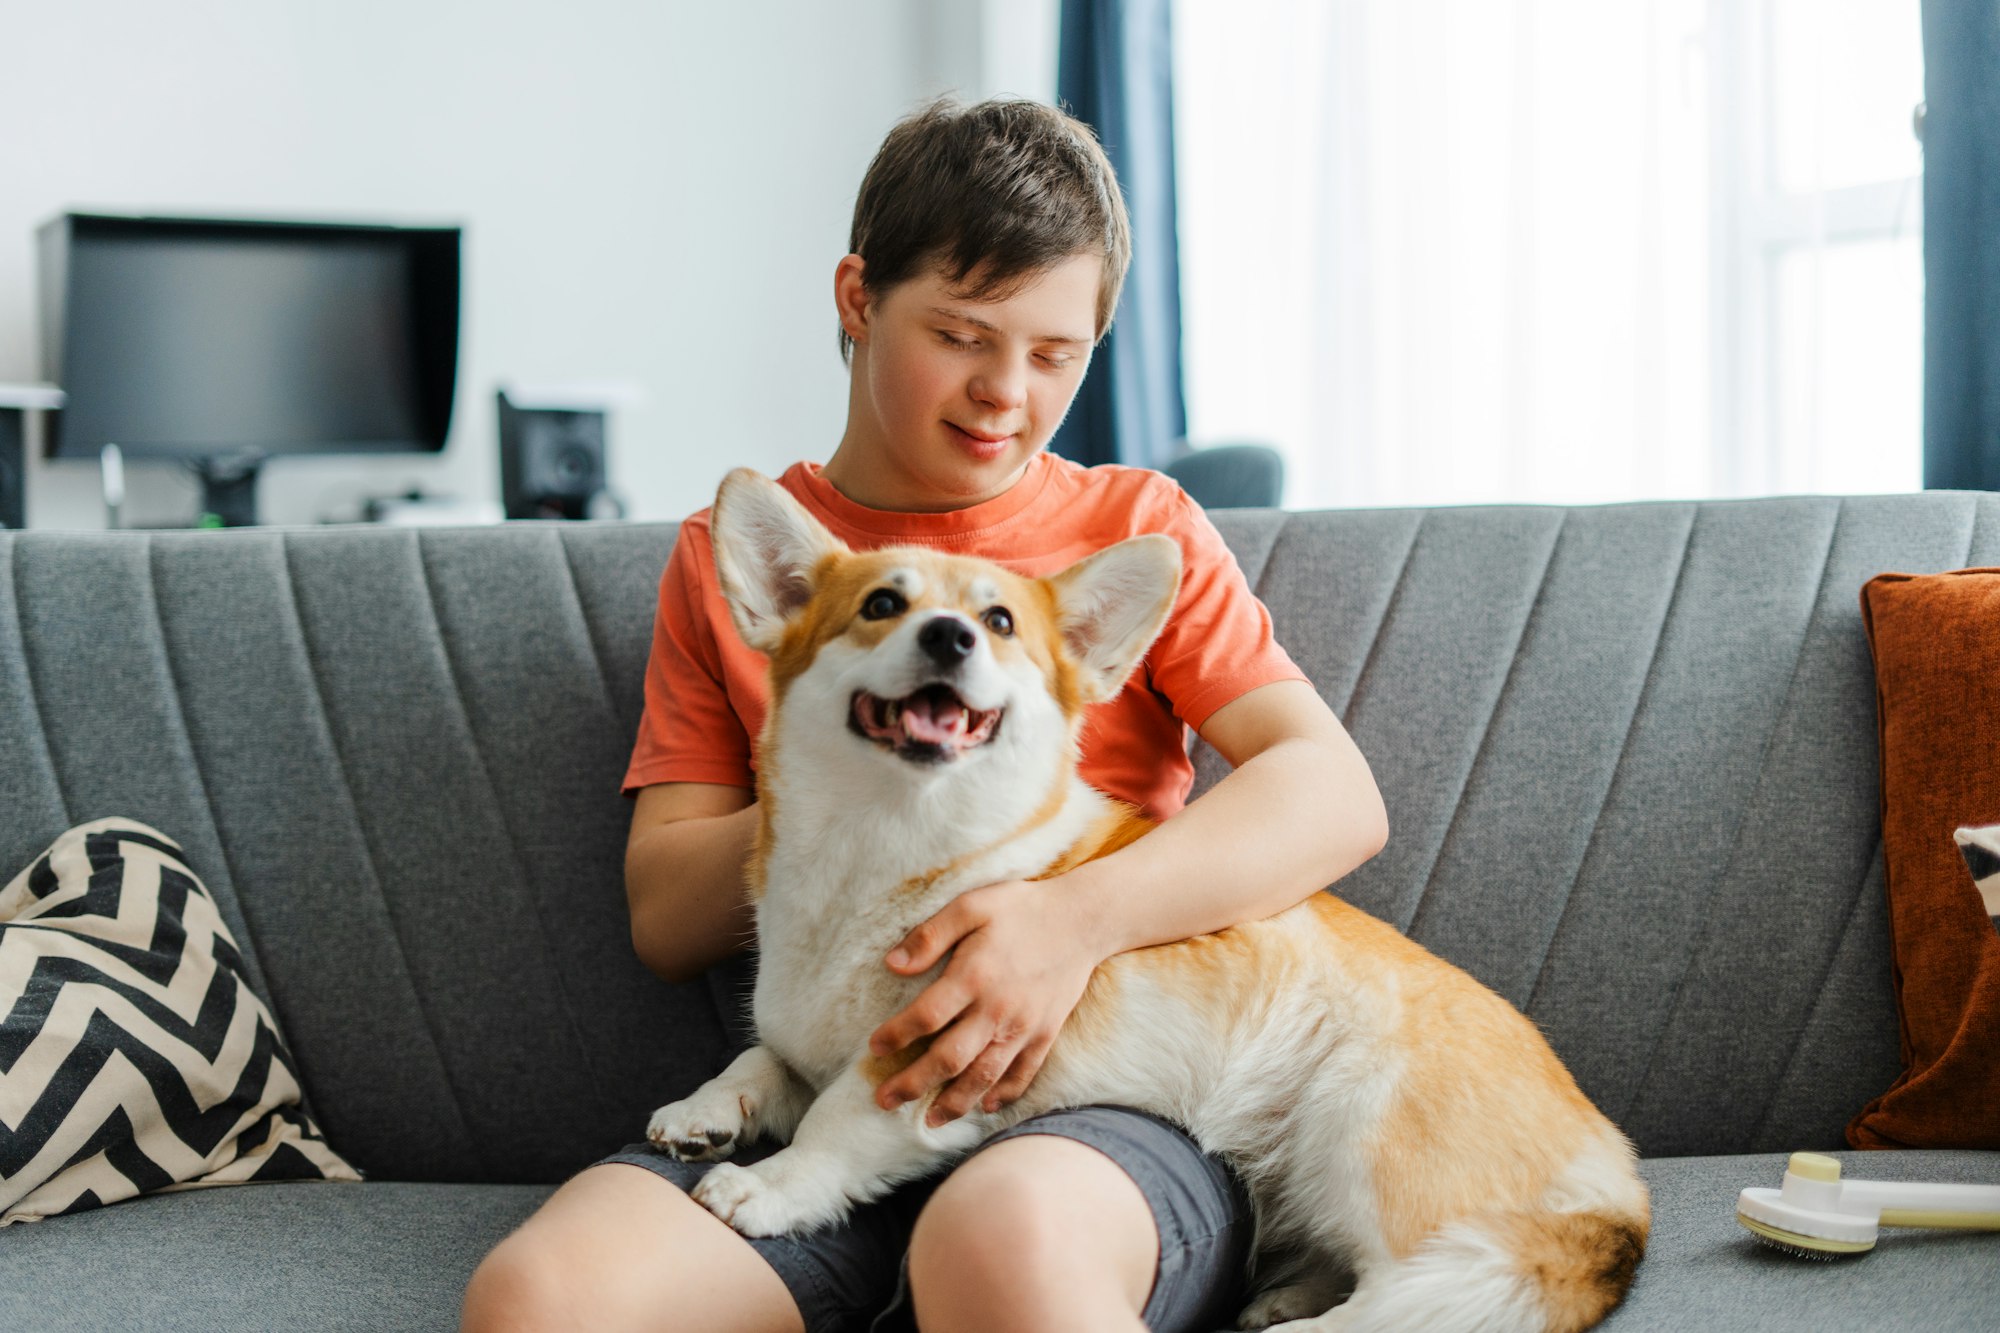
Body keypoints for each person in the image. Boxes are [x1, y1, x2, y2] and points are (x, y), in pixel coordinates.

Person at [461, 96, 1387, 1333]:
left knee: (996, 1249)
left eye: (1054, 354)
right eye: (961, 334)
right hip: (821, 1073)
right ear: (857, 299)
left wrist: (1063, 922)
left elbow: (1330, 792)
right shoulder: (748, 567)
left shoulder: (1133, 532)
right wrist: (858, 787)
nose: (1005, 391)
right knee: (543, 1301)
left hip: (1090, 1101)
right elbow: (664, 914)